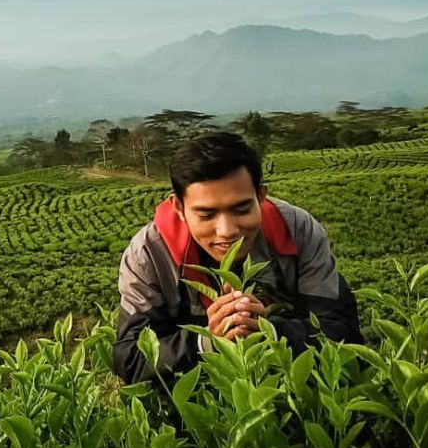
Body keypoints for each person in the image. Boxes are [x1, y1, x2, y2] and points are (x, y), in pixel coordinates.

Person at [113, 132, 362, 384]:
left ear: (261, 196)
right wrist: (206, 340)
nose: (227, 231)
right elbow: (131, 359)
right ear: (179, 208)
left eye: (241, 209)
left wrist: (271, 331)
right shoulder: (149, 254)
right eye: (206, 215)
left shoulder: (297, 230)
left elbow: (342, 331)